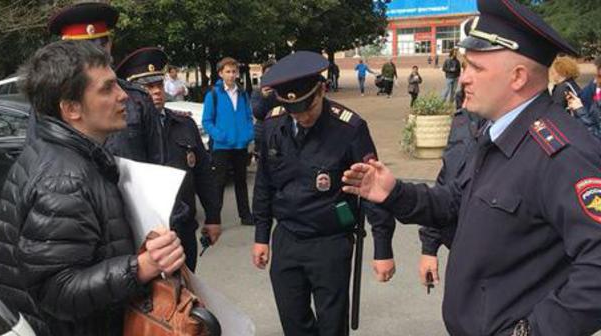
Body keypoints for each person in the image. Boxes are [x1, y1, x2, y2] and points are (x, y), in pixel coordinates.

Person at [342, 1, 601, 335]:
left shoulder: (562, 152)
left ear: (518, 77)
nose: (463, 78)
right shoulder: (496, 133)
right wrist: (395, 193)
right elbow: (455, 204)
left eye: (476, 68)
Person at [0, 40, 185, 336]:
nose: (124, 96)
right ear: (71, 108)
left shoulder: (64, 154)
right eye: (107, 89)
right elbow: (56, 292)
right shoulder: (63, 178)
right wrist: (141, 266)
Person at [251, 51, 395, 336]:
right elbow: (265, 183)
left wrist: (383, 249)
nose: (302, 116)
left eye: (308, 106)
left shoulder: (349, 129)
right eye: (294, 109)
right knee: (294, 323)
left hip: (330, 243)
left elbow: (374, 191)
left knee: (332, 327)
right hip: (288, 239)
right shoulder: (272, 125)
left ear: (322, 90)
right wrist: (261, 236)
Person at [116, 47, 222, 272]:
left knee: (187, 293)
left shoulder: (184, 124)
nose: (155, 92)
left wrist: (213, 217)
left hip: (183, 229)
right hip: (146, 236)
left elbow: (203, 174)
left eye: (157, 85)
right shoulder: (124, 132)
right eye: (146, 87)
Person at [48, 2, 164, 164]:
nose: (95, 54)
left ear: (109, 44)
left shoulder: (138, 98)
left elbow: (156, 162)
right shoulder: (49, 101)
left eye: (101, 44)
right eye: (85, 48)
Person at [418, 95, 486, 289]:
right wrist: (429, 247)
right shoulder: (463, 119)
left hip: (507, 262)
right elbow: (446, 182)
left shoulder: (531, 127)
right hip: (462, 249)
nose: (466, 78)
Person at [202, 57, 254, 226]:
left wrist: (248, 135)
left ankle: (245, 215)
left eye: (234, 72)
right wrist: (220, 136)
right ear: (220, 74)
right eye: (228, 72)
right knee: (218, 183)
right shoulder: (213, 94)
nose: (232, 75)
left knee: (241, 181)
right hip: (222, 146)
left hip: (240, 145)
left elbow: (248, 117)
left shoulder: (242, 94)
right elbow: (207, 121)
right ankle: (214, 219)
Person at [251, 60, 280, 157]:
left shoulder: (283, 90)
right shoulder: (258, 92)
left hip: (280, 133)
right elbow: (257, 113)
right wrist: (264, 97)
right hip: (263, 133)